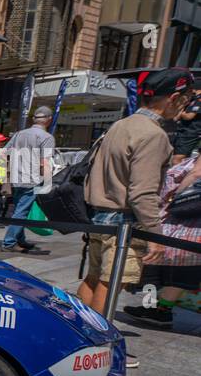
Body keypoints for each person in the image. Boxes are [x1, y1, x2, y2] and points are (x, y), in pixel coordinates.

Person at [80, 68, 196, 341]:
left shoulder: (121, 125)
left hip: (100, 214)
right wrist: (155, 236)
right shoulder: (153, 135)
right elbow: (142, 193)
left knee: (94, 277)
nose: (187, 105)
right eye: (187, 98)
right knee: (111, 282)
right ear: (174, 98)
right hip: (124, 220)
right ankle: (97, 345)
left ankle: (77, 335)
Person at [123, 155, 201, 330]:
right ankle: (159, 309)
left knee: (155, 260)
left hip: (182, 219)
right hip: (193, 226)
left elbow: (197, 174)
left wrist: (174, 197)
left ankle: (152, 308)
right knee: (184, 268)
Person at [0, 106, 56, 254]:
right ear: (49, 120)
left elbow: (3, 152)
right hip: (32, 178)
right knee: (22, 211)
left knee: (19, 209)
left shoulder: (19, 134)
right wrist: (48, 182)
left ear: (33, 119)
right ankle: (9, 242)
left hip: (16, 177)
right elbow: (45, 162)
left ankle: (20, 239)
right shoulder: (47, 138)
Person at [172, 94, 200, 165]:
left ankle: (177, 175)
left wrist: (182, 114)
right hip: (183, 131)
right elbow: (176, 117)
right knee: (178, 158)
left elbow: (189, 116)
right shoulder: (191, 99)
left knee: (177, 159)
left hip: (191, 132)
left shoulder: (198, 99)